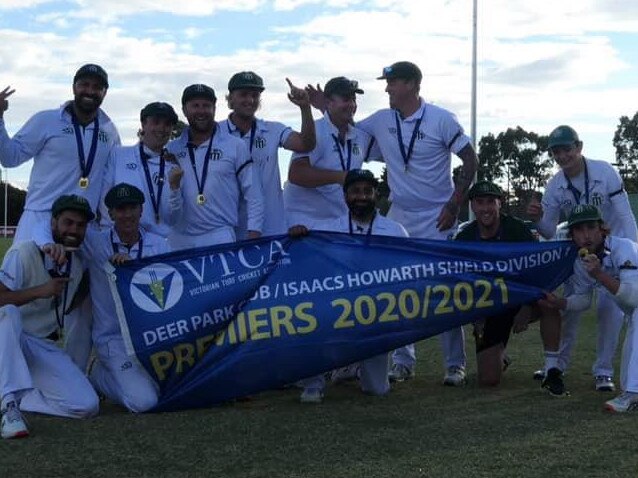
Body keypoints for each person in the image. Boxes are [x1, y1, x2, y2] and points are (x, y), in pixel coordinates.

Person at [333, 61, 478, 386]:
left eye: (393, 82)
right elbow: (348, 130)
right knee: (394, 291)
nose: (386, 89)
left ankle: (454, 364)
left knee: (444, 293)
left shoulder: (441, 118)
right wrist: (327, 107)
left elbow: (470, 158)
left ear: (412, 84)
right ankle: (403, 362)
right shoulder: (382, 120)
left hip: (438, 217)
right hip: (398, 216)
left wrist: (455, 204)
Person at [527, 125, 638, 391]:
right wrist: (537, 218)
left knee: (609, 310)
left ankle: (603, 372)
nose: (562, 156)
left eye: (566, 149)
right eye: (556, 152)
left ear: (579, 147)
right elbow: (548, 230)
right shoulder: (555, 185)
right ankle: (557, 367)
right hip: (580, 251)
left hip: (612, 249)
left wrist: (633, 251)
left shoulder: (604, 172)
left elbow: (624, 216)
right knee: (569, 310)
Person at [289, 169, 408, 403]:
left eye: (367, 191)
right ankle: (314, 382)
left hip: (376, 313)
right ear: (345, 197)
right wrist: (297, 235)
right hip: (339, 309)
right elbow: (301, 243)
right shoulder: (327, 229)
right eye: (355, 191)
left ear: (376, 194)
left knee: (377, 390)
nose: (361, 196)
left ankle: (352, 367)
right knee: (311, 315)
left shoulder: (395, 231)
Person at [0, 195, 99, 439]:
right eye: (68, 222)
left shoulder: (77, 263)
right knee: (8, 313)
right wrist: (40, 292)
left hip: (41, 344)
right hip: (9, 340)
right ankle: (8, 407)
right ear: (53, 222)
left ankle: (21, 397)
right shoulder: (23, 252)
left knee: (86, 405)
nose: (74, 230)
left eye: (80, 225)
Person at [455, 181, 565, 393]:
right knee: (488, 380)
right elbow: (460, 282)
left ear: (500, 204)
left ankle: (552, 370)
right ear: (472, 206)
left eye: (491, 202)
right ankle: (499, 356)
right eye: (480, 202)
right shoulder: (465, 237)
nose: (485, 208)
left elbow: (538, 272)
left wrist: (526, 305)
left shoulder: (517, 230)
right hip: (489, 306)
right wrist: (475, 314)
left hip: (520, 298)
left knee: (549, 302)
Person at [0, 64, 120, 242]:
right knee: (28, 270)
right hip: (41, 217)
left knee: (77, 271)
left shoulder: (109, 131)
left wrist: (108, 224)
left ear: (104, 93)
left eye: (97, 87)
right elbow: (10, 158)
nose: (90, 91)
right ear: (74, 87)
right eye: (84, 85)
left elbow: (109, 181)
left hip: (83, 225)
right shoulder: (46, 120)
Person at [540, 205, 638, 412]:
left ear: (602, 229)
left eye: (591, 227)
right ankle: (631, 392)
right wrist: (560, 303)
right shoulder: (581, 261)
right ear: (572, 235)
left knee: (633, 384)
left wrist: (600, 275)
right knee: (627, 378)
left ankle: (632, 396)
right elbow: (583, 300)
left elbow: (633, 297)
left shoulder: (625, 248)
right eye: (579, 230)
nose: (586, 235)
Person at [166, 84, 263, 250]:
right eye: (195, 106)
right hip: (179, 238)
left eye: (206, 106)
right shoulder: (171, 149)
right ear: (184, 109)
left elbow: (253, 192)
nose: (201, 111)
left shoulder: (235, 145)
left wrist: (254, 232)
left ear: (214, 108)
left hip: (219, 235)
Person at [219, 72, 315, 239]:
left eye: (255, 95)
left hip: (271, 229)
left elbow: (305, 144)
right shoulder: (215, 132)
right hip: (229, 230)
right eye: (243, 94)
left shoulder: (273, 130)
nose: (250, 100)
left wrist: (305, 107)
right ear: (230, 99)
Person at [284, 76, 377, 226]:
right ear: (328, 103)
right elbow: (296, 174)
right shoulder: (315, 131)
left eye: (354, 99)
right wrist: (339, 177)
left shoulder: (360, 137)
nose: (352, 105)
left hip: (340, 223)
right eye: (346, 99)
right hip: (304, 224)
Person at [101, 102, 183, 239]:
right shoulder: (118, 154)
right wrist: (109, 237)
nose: (162, 128)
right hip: (123, 242)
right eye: (156, 122)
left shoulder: (174, 166)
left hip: (162, 246)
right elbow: (105, 200)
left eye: (167, 124)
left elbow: (174, 219)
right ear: (144, 124)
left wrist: (175, 189)